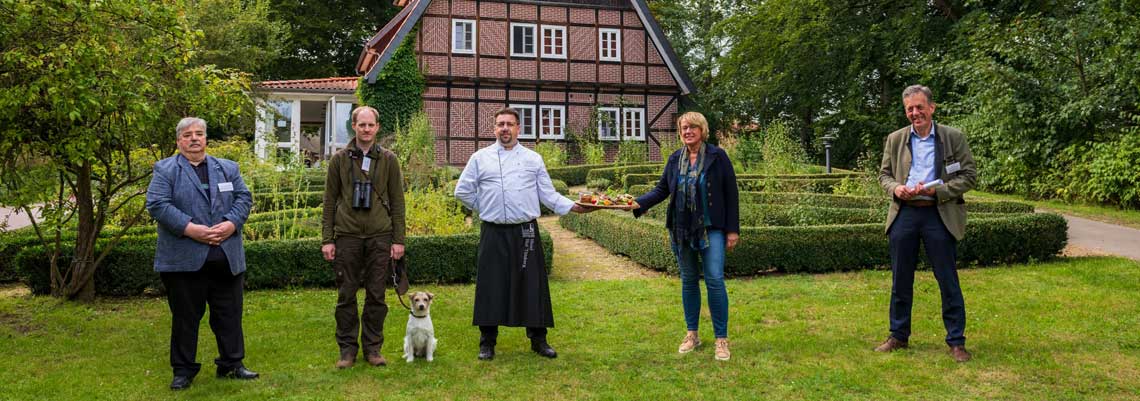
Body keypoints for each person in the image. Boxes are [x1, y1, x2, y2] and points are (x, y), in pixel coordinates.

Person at [454, 107, 596, 361]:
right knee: (490, 285)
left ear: (519, 128)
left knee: (532, 284)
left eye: (509, 124)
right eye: (500, 124)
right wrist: (485, 207)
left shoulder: (533, 159)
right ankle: (487, 342)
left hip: (525, 231)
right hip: (493, 231)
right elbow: (462, 192)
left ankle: (538, 340)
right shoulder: (480, 158)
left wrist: (573, 207)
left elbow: (548, 195)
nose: (505, 129)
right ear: (494, 128)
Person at [146, 117, 258, 390]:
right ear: (179, 141)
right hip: (184, 261)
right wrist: (190, 229)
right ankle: (184, 371)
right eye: (187, 135)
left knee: (229, 315)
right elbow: (157, 204)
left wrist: (232, 223)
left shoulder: (228, 168)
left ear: (206, 139)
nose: (194, 139)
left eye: (199, 134)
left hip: (226, 258)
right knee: (186, 318)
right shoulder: (166, 170)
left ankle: (232, 364)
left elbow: (244, 197)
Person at [875, 85, 977, 362]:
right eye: (909, 108)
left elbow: (969, 176)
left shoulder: (952, 138)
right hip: (905, 213)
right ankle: (898, 336)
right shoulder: (895, 139)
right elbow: (884, 175)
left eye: (920, 107)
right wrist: (896, 188)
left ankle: (956, 342)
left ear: (932, 108)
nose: (915, 113)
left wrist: (938, 191)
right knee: (900, 279)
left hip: (938, 213)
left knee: (947, 279)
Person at [632, 111, 740, 361]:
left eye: (693, 127)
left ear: (702, 130)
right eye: (683, 127)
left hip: (711, 229)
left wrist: (732, 230)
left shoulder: (718, 156)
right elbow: (662, 189)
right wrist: (637, 203)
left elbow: (731, 193)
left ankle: (721, 339)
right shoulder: (674, 159)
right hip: (681, 230)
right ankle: (692, 334)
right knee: (689, 280)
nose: (688, 131)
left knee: (714, 279)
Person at [321, 106, 407, 369]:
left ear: (377, 127)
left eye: (371, 125)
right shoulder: (339, 160)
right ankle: (347, 350)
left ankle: (373, 348)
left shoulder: (389, 160)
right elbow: (328, 201)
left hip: (380, 237)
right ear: (354, 126)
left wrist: (398, 240)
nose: (366, 130)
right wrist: (327, 239)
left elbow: (398, 202)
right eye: (361, 125)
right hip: (347, 236)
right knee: (346, 295)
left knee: (377, 295)